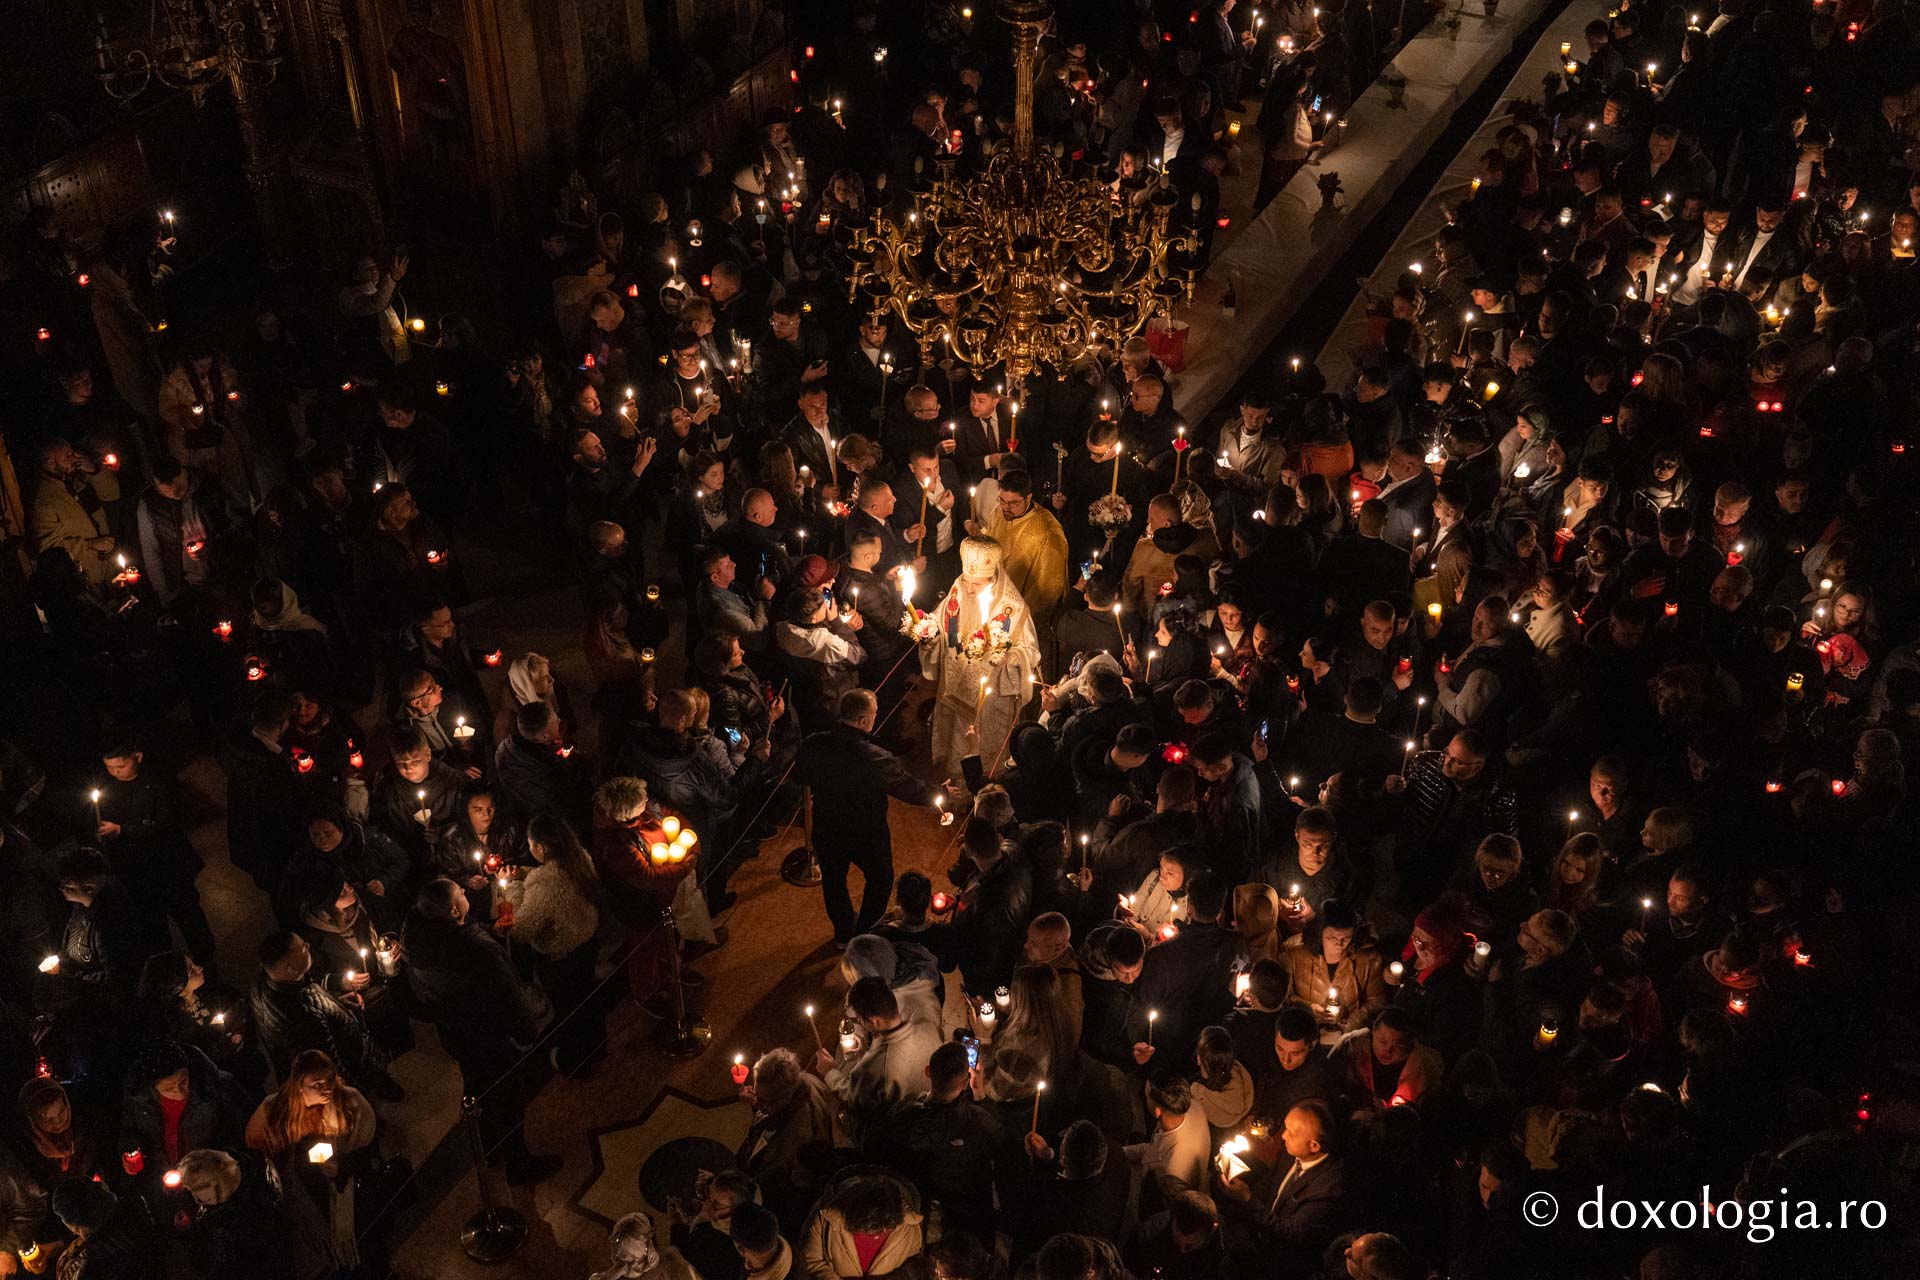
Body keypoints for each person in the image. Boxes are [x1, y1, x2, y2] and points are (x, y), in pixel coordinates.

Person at [403, 878, 560, 1184]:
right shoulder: (478, 951)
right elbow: (506, 994)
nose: (465, 893)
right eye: (460, 893)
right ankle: (519, 1163)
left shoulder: (418, 938)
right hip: (489, 1033)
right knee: (507, 1096)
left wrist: (489, 931)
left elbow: (451, 953)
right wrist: (527, 1033)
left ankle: (489, 1147)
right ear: (452, 910)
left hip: (455, 1032)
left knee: (478, 1088)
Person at [794, 689, 947, 944]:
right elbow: (910, 788)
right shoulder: (876, 759)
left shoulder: (813, 744)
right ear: (864, 720)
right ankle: (865, 931)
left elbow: (800, 776)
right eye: (875, 715)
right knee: (880, 878)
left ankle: (843, 932)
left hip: (826, 826)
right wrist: (943, 793)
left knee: (833, 881)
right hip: (867, 833)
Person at [243, 1050, 379, 1280]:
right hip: (301, 1195)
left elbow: (368, 1151)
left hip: (343, 1188)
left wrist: (342, 1166)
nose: (326, 1088)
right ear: (299, 1085)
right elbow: (258, 1157)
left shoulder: (349, 1102)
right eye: (317, 1083)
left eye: (329, 1079)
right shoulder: (273, 1112)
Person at [496, 813, 606, 1078]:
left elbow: (520, 929)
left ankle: (575, 1062)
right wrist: (526, 875)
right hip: (587, 946)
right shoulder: (579, 858)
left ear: (540, 848)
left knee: (569, 1012)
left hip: (561, 961)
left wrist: (510, 888)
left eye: (530, 844)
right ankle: (599, 1046)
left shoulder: (543, 884)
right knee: (589, 1000)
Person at [177, 1148, 297, 1280]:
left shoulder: (225, 1230)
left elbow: (210, 1269)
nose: (196, 1198)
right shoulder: (257, 1174)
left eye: (196, 1190)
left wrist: (189, 1233)